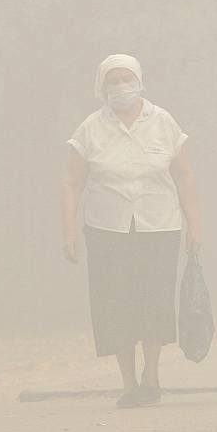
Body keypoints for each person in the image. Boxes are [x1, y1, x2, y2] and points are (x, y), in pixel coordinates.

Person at [61, 54, 202, 408]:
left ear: (139, 81)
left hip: (159, 225)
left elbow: (183, 174)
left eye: (127, 79)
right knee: (115, 304)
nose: (121, 87)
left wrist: (194, 224)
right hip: (107, 228)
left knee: (153, 299)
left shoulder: (163, 122)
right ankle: (127, 382)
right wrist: (69, 230)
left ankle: (151, 375)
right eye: (114, 81)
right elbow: (72, 183)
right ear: (102, 87)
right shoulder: (90, 129)